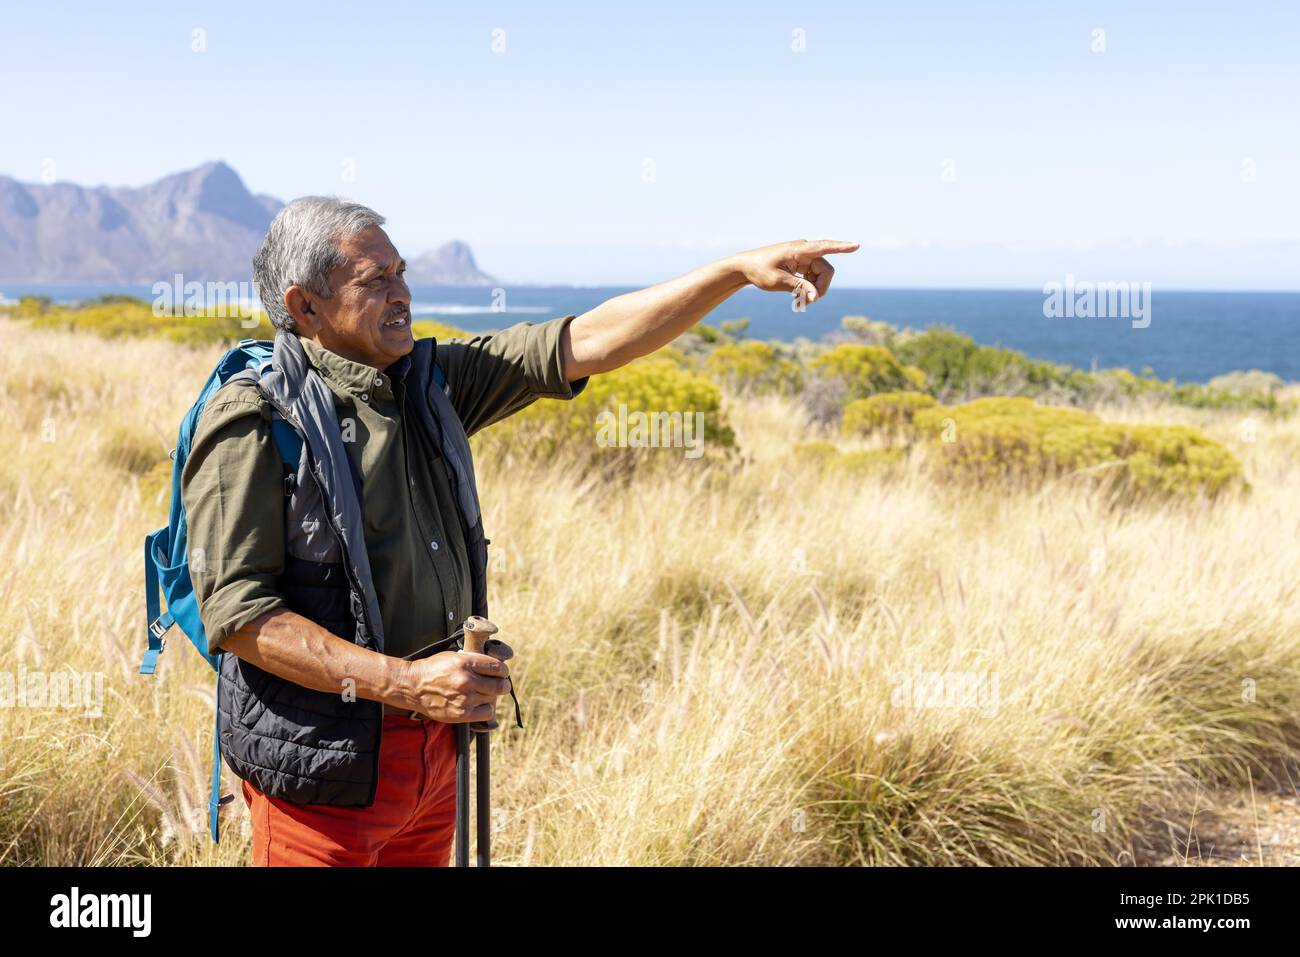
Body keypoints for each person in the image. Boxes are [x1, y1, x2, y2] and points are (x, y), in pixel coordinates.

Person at [184, 194, 857, 865]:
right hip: (321, 778)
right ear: (306, 307)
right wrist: (409, 684)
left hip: (436, 758)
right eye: (376, 280)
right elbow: (242, 616)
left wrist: (735, 270)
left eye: (402, 272)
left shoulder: (429, 383)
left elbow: (585, 341)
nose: (403, 294)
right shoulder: (252, 421)